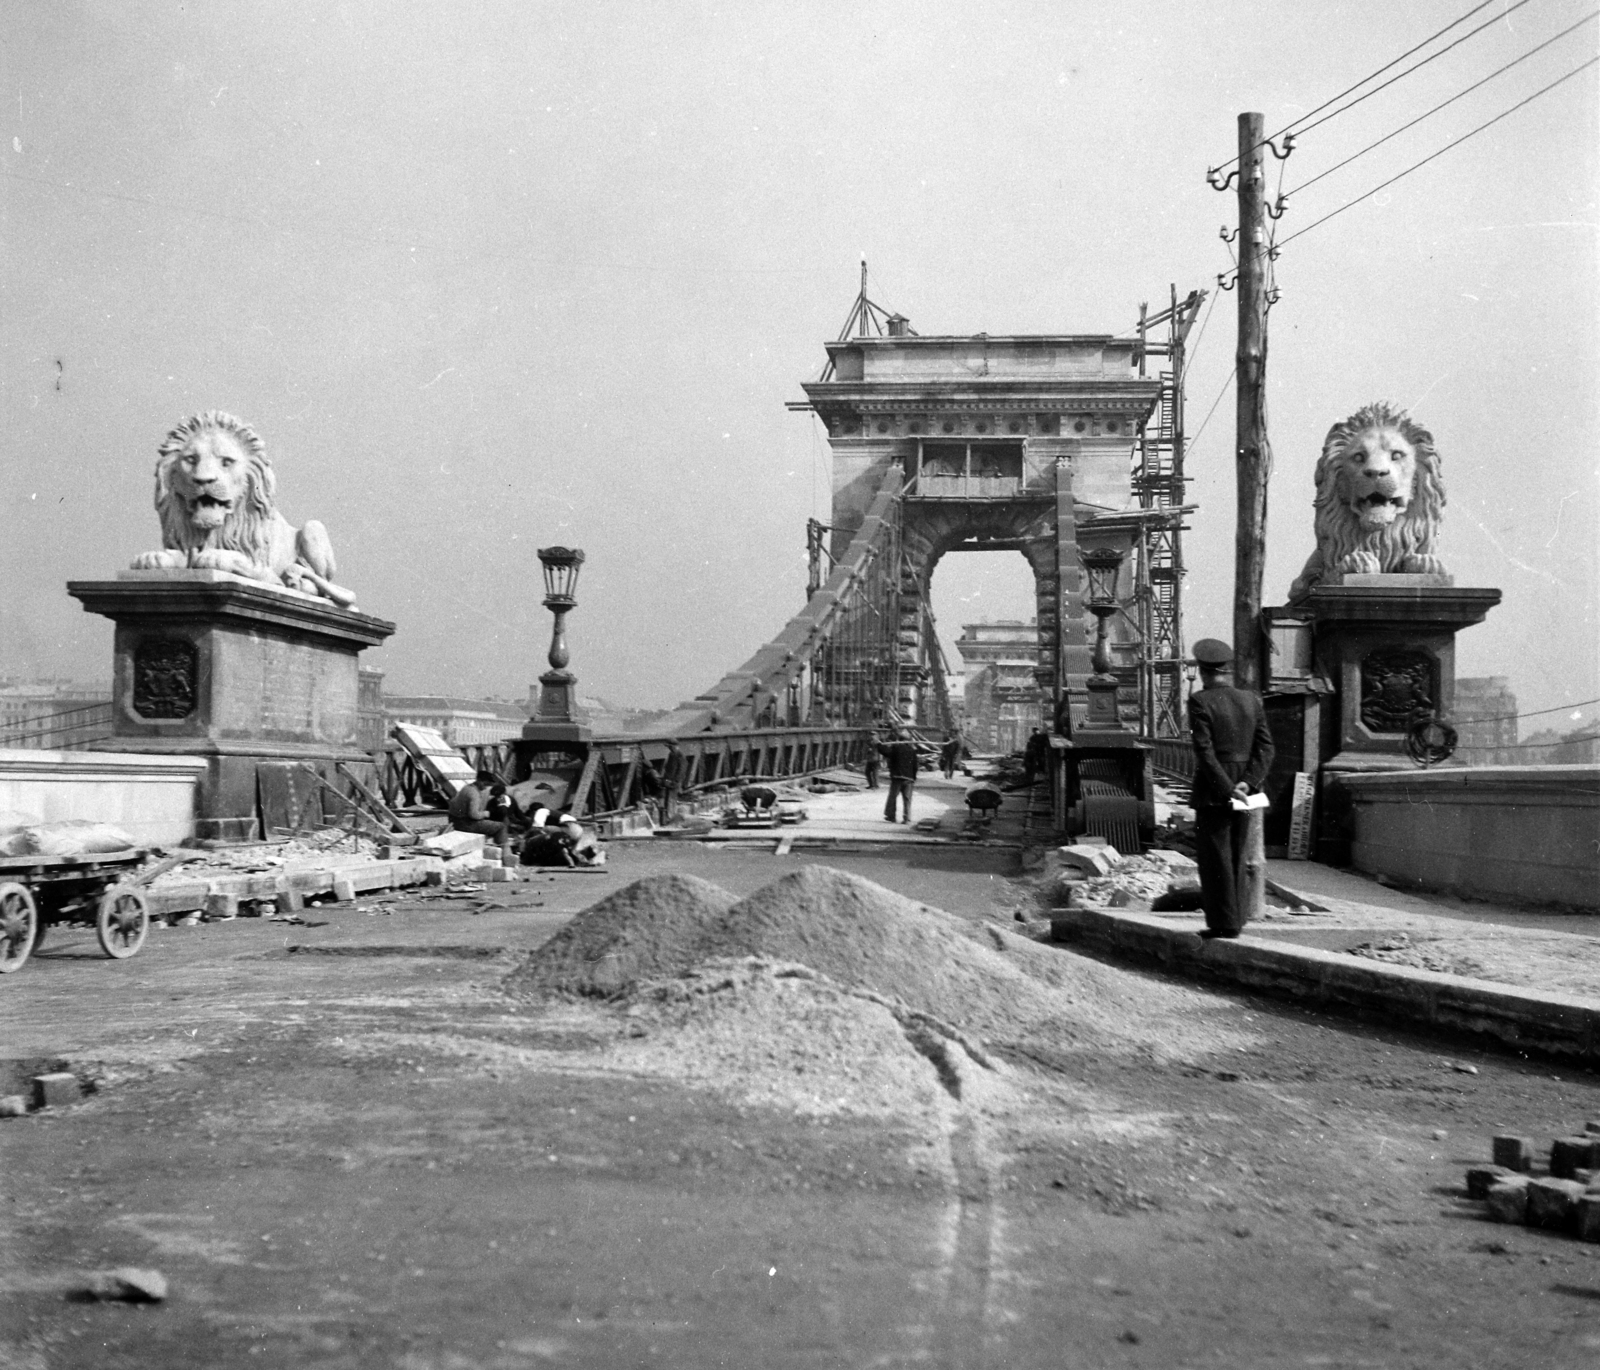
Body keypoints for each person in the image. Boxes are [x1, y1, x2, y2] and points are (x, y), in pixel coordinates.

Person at [1187, 638, 1275, 939]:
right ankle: (1236, 920)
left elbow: (1205, 752)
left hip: (1215, 791)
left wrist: (1226, 789)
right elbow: (1266, 749)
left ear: (1203, 671)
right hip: (1246, 790)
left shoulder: (1200, 701)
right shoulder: (1251, 700)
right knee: (1238, 854)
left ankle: (1223, 925)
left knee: (1215, 859)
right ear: (1228, 670)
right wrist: (1247, 783)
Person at [447, 770, 511, 847]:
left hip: (455, 820)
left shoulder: (467, 787)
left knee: (495, 823)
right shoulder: (474, 794)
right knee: (501, 826)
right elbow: (474, 815)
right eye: (485, 784)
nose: (485, 787)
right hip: (464, 823)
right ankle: (505, 852)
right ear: (479, 780)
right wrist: (486, 813)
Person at [881, 729, 919, 824]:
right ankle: (907, 818)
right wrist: (913, 777)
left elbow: (887, 753)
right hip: (909, 778)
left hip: (897, 777)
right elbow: (915, 766)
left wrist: (878, 745)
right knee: (907, 799)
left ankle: (891, 816)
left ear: (899, 739)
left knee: (893, 797)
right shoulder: (912, 751)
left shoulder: (896, 748)